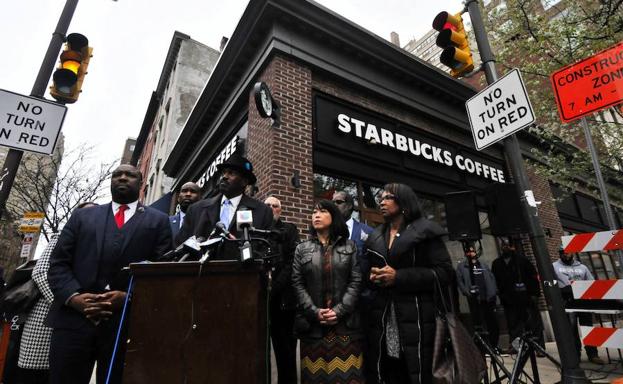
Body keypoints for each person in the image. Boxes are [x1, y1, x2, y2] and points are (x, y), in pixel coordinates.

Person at [47, 164, 172, 384]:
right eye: (117, 175)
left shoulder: (158, 221)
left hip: (125, 324)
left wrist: (129, 297)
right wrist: (74, 298)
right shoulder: (82, 217)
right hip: (74, 321)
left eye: (130, 175)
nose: (123, 178)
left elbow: (161, 272)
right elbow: (58, 264)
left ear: (141, 183)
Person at [365, 183, 454, 384]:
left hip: (420, 317)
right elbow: (367, 274)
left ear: (404, 202)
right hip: (384, 318)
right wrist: (373, 278)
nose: (381, 201)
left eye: (388, 197)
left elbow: (444, 273)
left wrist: (399, 277)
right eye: (381, 197)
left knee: (417, 371)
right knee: (390, 369)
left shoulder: (425, 232)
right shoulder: (376, 235)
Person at [16, 203, 97, 384]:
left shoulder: (92, 243)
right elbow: (41, 273)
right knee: (36, 374)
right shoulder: (62, 236)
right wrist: (69, 300)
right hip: (45, 319)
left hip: (68, 322)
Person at [292, 200, 364, 384]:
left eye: (322, 211)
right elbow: (297, 283)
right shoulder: (302, 249)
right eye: (314, 212)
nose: (316, 215)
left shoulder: (350, 246)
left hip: (344, 327)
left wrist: (339, 311)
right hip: (313, 327)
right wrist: (314, 312)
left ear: (334, 217)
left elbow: (356, 281)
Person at [176, 154, 273, 259]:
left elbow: (266, 249)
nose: (224, 177)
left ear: (244, 181)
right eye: (223, 173)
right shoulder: (196, 209)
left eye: (231, 173)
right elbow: (180, 245)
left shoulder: (262, 211)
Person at [264, 196, 300, 384]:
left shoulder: (289, 230)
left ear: (281, 210)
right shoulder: (256, 230)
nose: (271, 208)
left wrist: (274, 288)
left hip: (283, 301)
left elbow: (291, 262)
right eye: (267, 205)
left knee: (285, 351)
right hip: (260, 299)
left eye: (275, 206)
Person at [553, 247, 605, 364]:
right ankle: (575, 355)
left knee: (588, 328)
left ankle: (593, 354)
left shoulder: (582, 267)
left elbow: (591, 283)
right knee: (571, 330)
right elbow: (550, 282)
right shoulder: (554, 266)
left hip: (584, 301)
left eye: (567, 252)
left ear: (572, 252)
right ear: (560, 254)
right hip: (568, 302)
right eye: (563, 253)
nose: (565, 255)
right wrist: (561, 290)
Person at [491, 238, 544, 351]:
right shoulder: (496, 263)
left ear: (512, 247)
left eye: (507, 245)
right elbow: (495, 281)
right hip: (509, 300)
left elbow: (533, 277)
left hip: (526, 297)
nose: (505, 247)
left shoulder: (522, 260)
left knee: (533, 322)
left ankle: (539, 347)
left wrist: (535, 294)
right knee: (513, 324)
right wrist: (501, 295)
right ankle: (517, 347)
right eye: (503, 246)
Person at [456, 243, 499, 349]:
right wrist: (467, 292)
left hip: (488, 298)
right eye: (469, 251)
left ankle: (494, 346)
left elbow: (491, 278)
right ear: (466, 253)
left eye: (473, 251)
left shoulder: (483, 264)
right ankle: (482, 347)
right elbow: (460, 282)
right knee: (478, 323)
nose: (471, 253)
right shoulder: (462, 266)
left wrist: (493, 292)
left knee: (492, 323)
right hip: (475, 299)